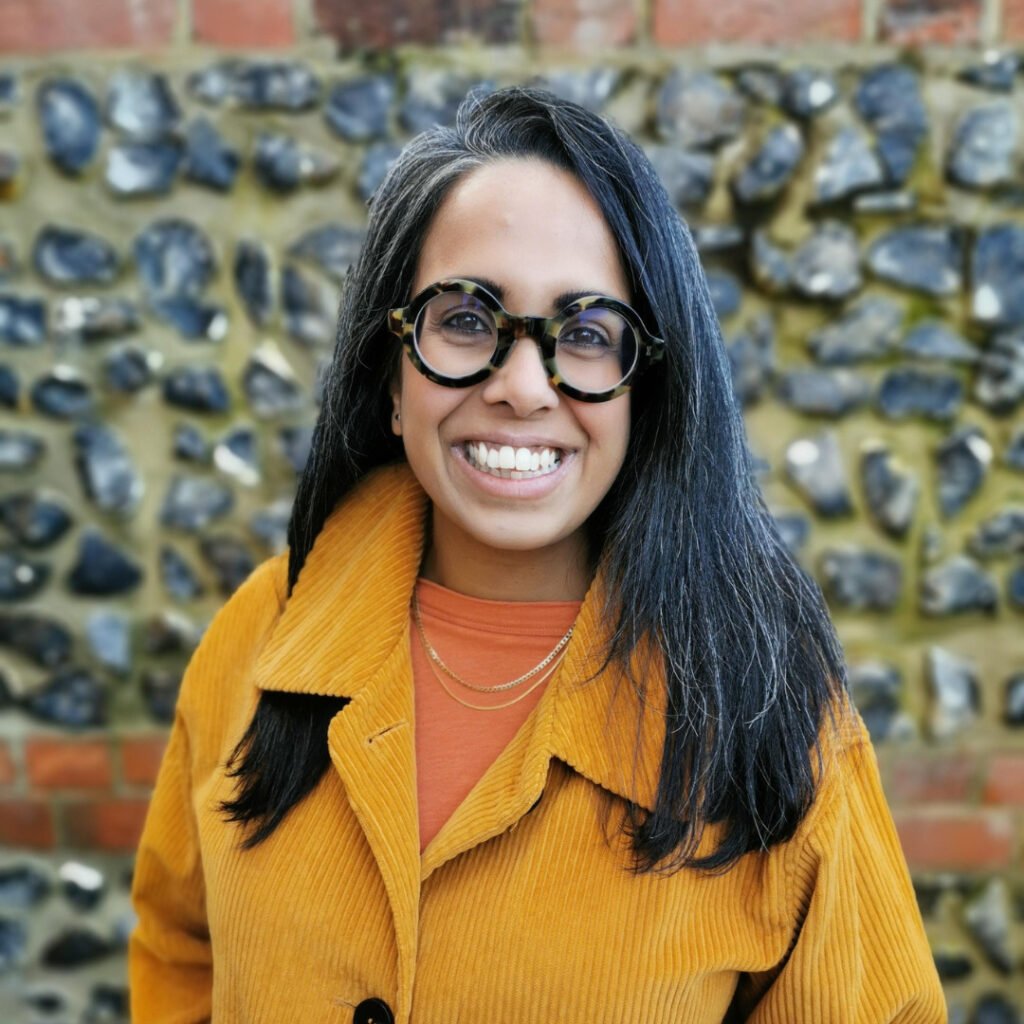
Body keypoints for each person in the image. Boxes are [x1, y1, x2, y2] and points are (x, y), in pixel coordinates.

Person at [129, 85, 945, 1023]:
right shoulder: (259, 636)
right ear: (390, 377)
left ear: (650, 391)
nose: (521, 386)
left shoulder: (769, 708)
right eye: (467, 320)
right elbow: (177, 953)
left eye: (589, 334)